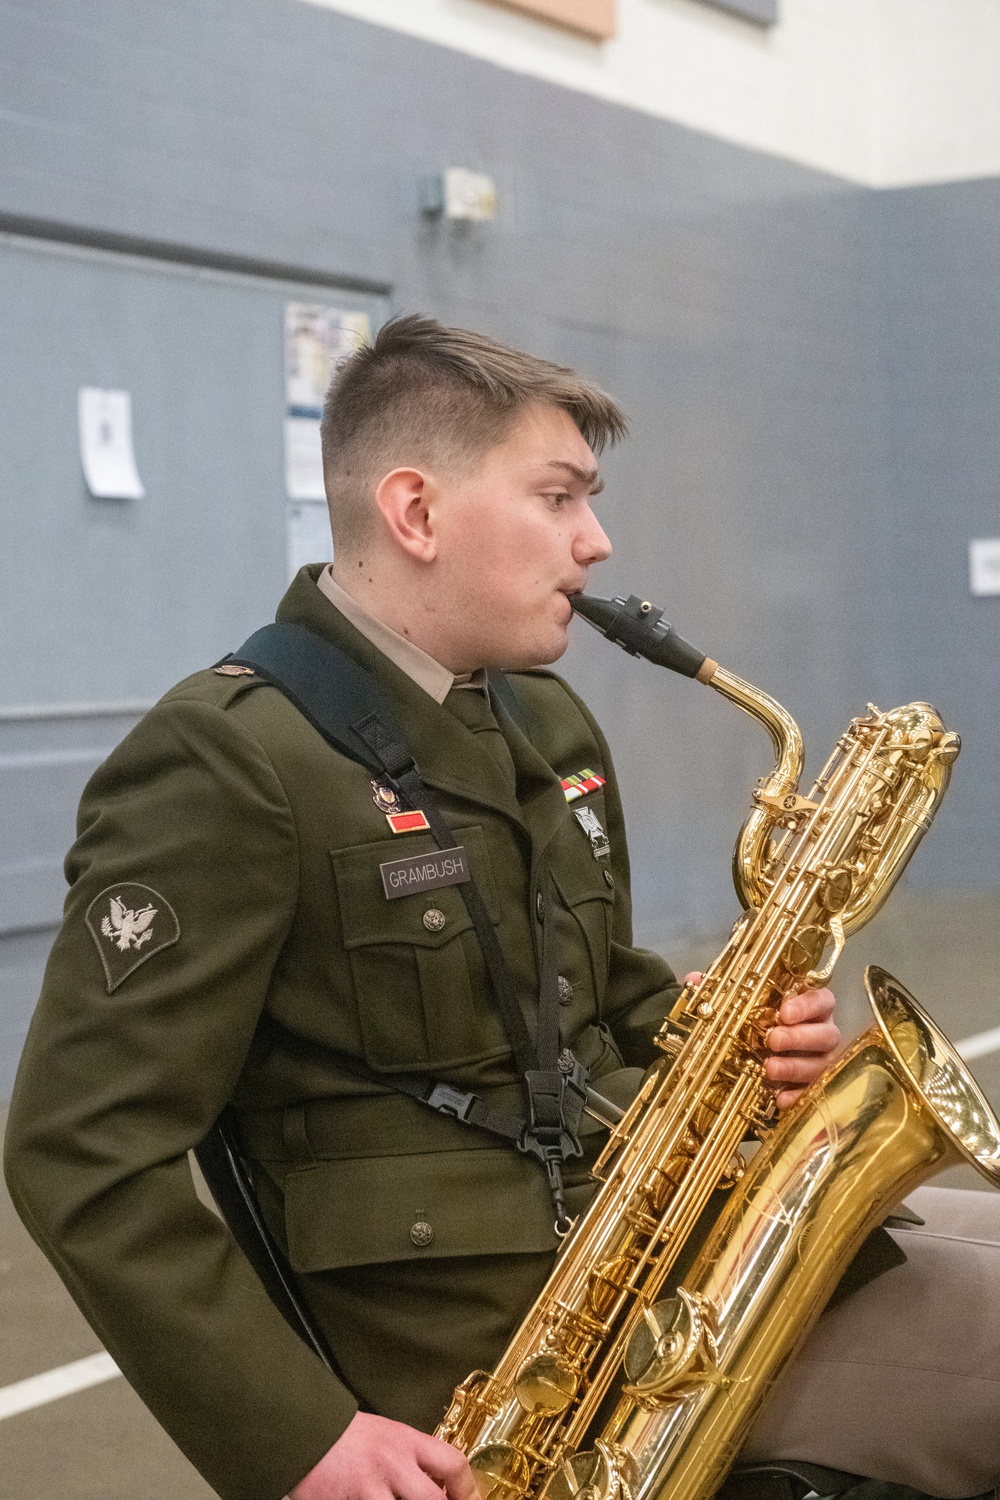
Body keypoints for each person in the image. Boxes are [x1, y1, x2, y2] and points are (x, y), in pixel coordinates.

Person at [3, 317, 997, 1500]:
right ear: (416, 513)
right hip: (505, 1357)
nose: (597, 540)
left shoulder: (543, 720)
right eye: (560, 497)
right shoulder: (232, 762)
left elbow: (589, 987)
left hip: (659, 1253)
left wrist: (733, 1039)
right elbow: (81, 1151)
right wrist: (301, 1440)